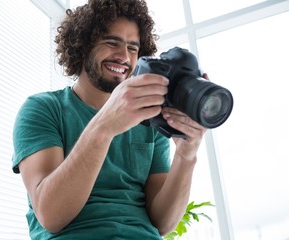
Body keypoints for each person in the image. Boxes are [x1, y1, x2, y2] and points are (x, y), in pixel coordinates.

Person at [12, 0, 207, 239]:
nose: (124, 57)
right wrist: (104, 127)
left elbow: (163, 223)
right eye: (111, 42)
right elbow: (50, 215)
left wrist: (186, 155)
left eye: (133, 48)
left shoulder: (150, 119)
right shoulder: (43, 109)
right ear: (82, 45)